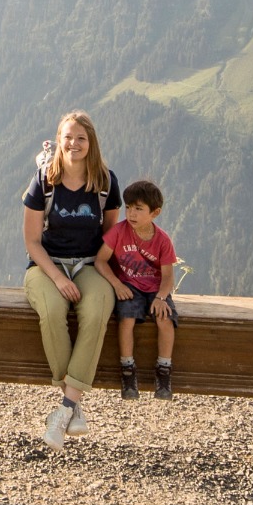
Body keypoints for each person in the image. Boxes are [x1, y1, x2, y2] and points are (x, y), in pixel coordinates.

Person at [23, 109, 123, 447]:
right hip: (45, 264)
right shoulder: (44, 180)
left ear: (91, 142)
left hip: (90, 264)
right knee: (51, 311)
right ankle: (74, 405)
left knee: (97, 311)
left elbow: (110, 237)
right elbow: (32, 242)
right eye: (68, 137)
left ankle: (65, 408)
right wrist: (58, 278)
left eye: (81, 138)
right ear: (59, 139)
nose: (74, 143)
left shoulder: (106, 182)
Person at [99, 180, 179, 399]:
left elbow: (168, 275)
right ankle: (127, 369)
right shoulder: (118, 232)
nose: (131, 214)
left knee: (165, 318)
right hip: (128, 285)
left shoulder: (162, 240)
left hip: (155, 287)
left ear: (155, 213)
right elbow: (100, 261)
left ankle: (164, 369)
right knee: (127, 318)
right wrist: (116, 284)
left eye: (138, 209)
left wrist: (162, 297)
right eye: (128, 207)